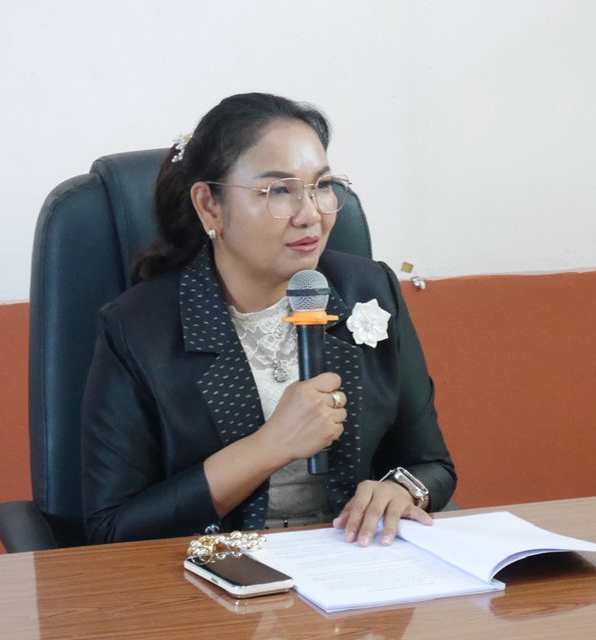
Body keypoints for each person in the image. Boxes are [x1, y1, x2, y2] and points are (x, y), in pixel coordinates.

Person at [81, 92, 456, 548]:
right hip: (215, 568)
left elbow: (432, 465)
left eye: (322, 186)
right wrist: (269, 446)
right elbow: (114, 528)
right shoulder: (138, 327)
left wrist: (400, 490)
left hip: (354, 560)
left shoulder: (369, 290)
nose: (311, 214)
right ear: (210, 205)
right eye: (279, 191)